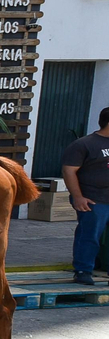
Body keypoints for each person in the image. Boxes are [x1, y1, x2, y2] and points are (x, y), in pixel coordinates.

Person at [62, 107, 109, 286]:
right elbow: (69, 171)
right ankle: (83, 270)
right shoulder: (84, 144)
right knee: (89, 235)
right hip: (93, 198)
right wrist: (78, 196)